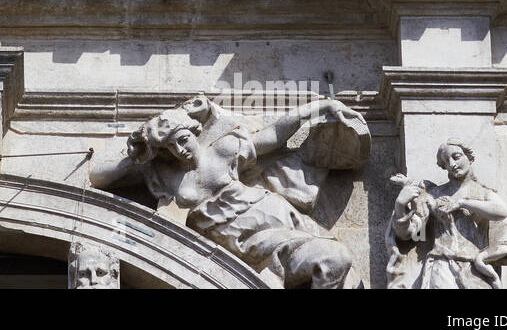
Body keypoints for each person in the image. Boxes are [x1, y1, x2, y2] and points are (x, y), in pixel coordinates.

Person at [91, 97, 366, 288]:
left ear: (194, 132)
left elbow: (274, 135)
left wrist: (322, 106)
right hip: (242, 242)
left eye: (184, 140)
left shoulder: (223, 151)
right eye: (170, 147)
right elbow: (97, 178)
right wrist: (137, 156)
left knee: (336, 259)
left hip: (272, 215)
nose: (180, 150)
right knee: (333, 258)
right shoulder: (162, 175)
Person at [388, 139, 507, 289]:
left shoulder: (481, 193)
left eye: (456, 157)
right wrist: (400, 205)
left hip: (475, 269)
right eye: (446, 162)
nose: (452, 164)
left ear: (469, 157)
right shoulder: (435, 194)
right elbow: (409, 233)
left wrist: (462, 202)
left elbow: (501, 211)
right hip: (442, 267)